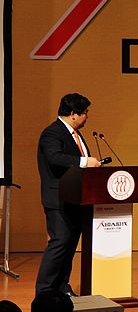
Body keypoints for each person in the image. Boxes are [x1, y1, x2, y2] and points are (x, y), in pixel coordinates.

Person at [36, 93, 102, 296]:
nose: (87, 116)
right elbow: (55, 157)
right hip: (58, 200)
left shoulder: (75, 134)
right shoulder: (52, 132)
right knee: (60, 242)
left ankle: (62, 287)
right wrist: (85, 162)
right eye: (85, 112)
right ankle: (44, 291)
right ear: (73, 114)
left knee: (70, 245)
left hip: (77, 199)